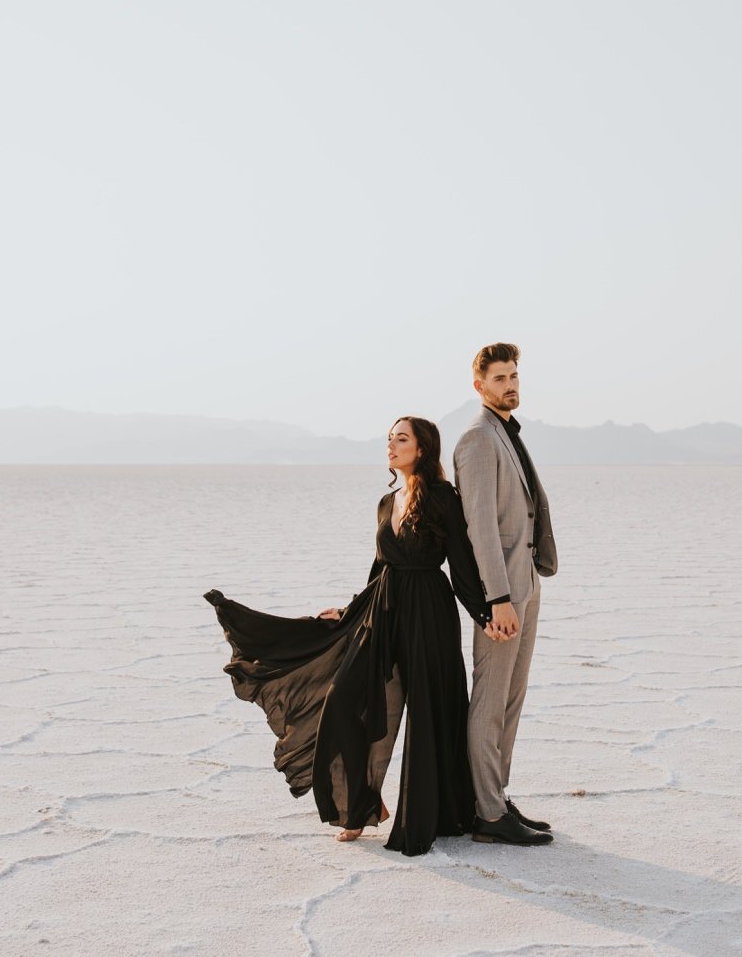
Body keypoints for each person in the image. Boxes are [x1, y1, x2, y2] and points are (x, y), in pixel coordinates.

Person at [204, 416, 492, 856]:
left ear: (423, 448)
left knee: (431, 713)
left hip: (430, 611)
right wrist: (351, 607)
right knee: (343, 701)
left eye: (401, 439)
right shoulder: (386, 501)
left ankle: (437, 813)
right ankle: (360, 806)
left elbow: (462, 563)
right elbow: (381, 567)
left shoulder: (442, 498)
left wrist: (487, 612)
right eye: (389, 440)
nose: (391, 447)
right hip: (384, 609)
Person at [453, 342, 558, 846]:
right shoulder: (477, 439)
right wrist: (497, 599)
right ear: (479, 387)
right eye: (499, 379)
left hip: (527, 583)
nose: (511, 385)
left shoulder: (507, 433)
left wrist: (524, 585)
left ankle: (497, 796)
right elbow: (481, 529)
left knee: (512, 699)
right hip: (503, 594)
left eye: (514, 376)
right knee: (490, 699)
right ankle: (487, 814)